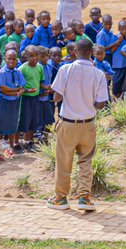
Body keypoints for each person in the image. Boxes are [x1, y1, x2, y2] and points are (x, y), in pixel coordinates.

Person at [47, 39, 109, 212]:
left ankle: (60, 198)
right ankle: (84, 197)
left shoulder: (66, 69)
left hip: (67, 123)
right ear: (91, 53)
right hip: (88, 124)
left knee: (63, 161)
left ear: (74, 50)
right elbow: (101, 104)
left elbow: (56, 97)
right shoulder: (99, 74)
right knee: (86, 161)